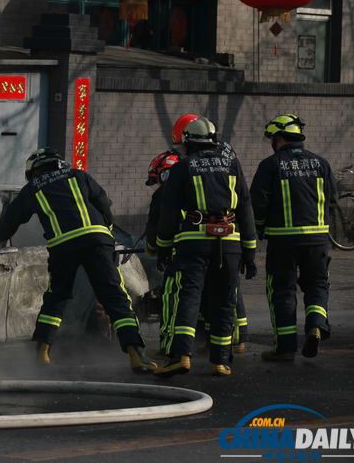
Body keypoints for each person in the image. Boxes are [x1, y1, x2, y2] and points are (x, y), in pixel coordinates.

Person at [0, 147, 156, 373]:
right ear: (59, 164)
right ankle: (136, 354)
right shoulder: (79, 176)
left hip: (64, 247)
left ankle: (42, 354)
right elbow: (104, 202)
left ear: (33, 171)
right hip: (97, 241)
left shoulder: (33, 188)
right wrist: (107, 230)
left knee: (57, 296)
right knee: (115, 297)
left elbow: (8, 223)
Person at [154, 116, 257, 378]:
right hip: (231, 240)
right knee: (224, 300)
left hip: (194, 241)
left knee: (190, 296)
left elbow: (168, 211)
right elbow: (245, 207)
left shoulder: (184, 166)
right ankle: (220, 361)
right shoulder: (232, 164)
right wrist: (250, 251)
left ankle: (182, 357)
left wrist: (163, 247)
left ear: (189, 142)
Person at [250, 115, 335, 361]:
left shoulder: (271, 165)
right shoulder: (322, 164)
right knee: (317, 285)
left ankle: (285, 348)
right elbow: (332, 200)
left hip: (283, 241)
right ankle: (316, 326)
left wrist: (259, 228)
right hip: (318, 240)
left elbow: (259, 201)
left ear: (279, 138)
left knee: (282, 291)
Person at [143, 149, 181, 355]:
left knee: (171, 298)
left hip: (175, 255)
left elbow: (154, 227)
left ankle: (169, 347)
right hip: (205, 252)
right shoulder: (193, 188)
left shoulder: (162, 194)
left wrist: (154, 249)